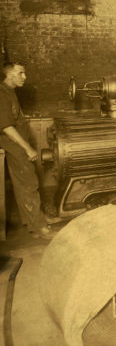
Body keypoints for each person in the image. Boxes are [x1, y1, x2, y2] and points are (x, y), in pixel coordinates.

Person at [0, 62, 54, 239]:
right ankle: (40, 227)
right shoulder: (2, 94)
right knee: (28, 184)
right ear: (9, 74)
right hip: (14, 145)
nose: (25, 77)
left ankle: (34, 222)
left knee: (27, 184)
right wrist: (28, 148)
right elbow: (7, 127)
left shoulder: (10, 92)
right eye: (21, 73)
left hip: (17, 144)